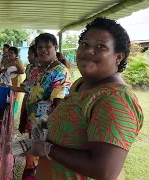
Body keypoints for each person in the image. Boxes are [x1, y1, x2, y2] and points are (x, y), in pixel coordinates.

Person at [27, 18, 143, 180]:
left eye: (101, 46)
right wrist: (48, 125)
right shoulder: (82, 84)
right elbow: (75, 121)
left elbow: (104, 170)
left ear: (118, 57)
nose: (88, 51)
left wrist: (47, 149)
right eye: (84, 44)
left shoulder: (115, 100)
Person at [10, 33, 72, 179]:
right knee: (33, 164)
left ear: (55, 48)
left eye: (47, 46)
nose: (43, 50)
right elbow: (28, 88)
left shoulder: (60, 72)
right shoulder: (38, 70)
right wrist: (9, 87)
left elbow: (59, 105)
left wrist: (47, 132)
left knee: (39, 166)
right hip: (35, 127)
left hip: (47, 130)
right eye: (40, 47)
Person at [0, 47, 24, 115]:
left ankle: (14, 113)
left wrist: (13, 72)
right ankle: (8, 111)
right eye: (9, 53)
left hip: (16, 81)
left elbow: (22, 71)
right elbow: (6, 69)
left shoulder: (18, 61)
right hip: (8, 80)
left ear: (16, 54)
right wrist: (4, 70)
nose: (10, 54)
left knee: (16, 96)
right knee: (9, 95)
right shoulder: (7, 61)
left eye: (12, 53)